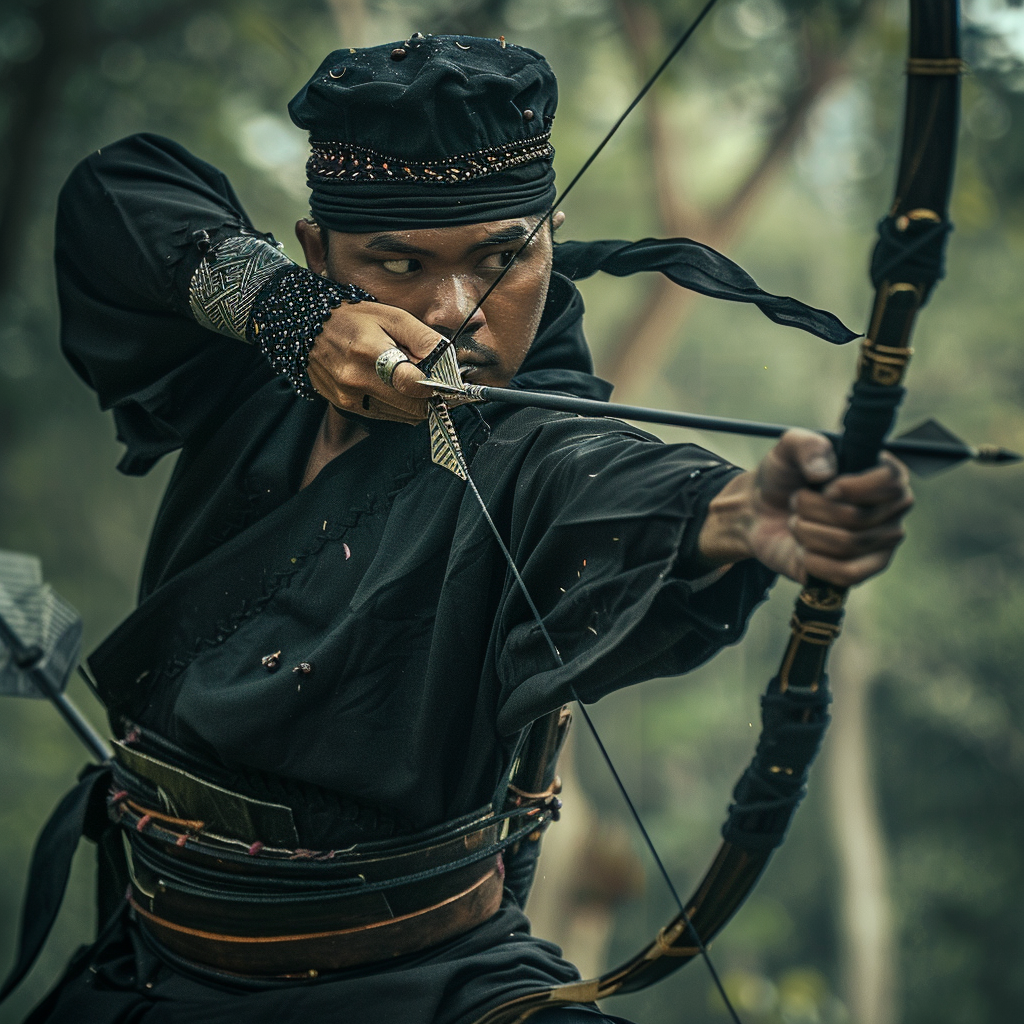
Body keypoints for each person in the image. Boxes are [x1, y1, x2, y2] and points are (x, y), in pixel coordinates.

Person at [7, 34, 911, 1024]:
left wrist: (739, 511)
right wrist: (285, 313)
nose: (455, 312)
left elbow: (600, 483)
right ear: (319, 255)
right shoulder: (270, 358)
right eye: (396, 264)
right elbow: (115, 196)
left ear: (550, 240)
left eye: (502, 259)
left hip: (416, 988)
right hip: (151, 965)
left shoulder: (538, 439)